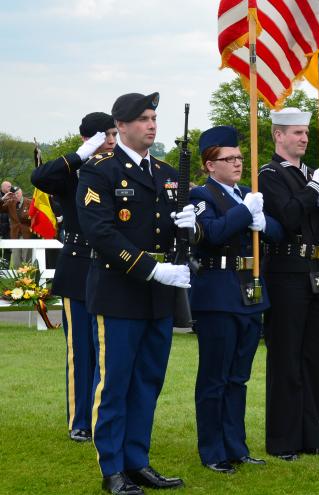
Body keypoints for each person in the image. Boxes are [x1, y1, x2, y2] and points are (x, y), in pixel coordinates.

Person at [76, 92, 196, 495]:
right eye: (143, 118)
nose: (152, 124)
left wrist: (188, 224)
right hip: (120, 291)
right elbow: (100, 232)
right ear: (121, 125)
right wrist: (151, 267)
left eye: (154, 117)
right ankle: (112, 468)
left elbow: (171, 232)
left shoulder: (164, 172)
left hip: (158, 296)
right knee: (114, 384)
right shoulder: (100, 171)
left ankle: (136, 461)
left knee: (148, 381)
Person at [190, 126, 283, 473]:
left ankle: (236, 445)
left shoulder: (248, 193)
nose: (237, 163)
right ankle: (213, 450)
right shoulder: (200, 195)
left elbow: (276, 232)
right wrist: (246, 212)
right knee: (214, 377)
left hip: (249, 292)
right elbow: (211, 234)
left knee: (238, 378)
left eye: (240, 158)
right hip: (217, 294)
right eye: (228, 159)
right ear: (209, 165)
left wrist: (261, 221)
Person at [259, 107, 319, 461]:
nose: (304, 138)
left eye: (306, 133)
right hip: (287, 271)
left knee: (314, 357)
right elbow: (289, 215)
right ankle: (282, 439)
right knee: (286, 357)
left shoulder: (313, 174)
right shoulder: (269, 174)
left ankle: (310, 434)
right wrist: (313, 189)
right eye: (296, 133)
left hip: (316, 270)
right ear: (278, 135)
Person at [31, 111, 117, 443]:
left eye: (113, 135)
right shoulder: (73, 172)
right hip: (79, 266)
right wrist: (81, 154)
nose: (111, 142)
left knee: (108, 351)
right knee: (80, 350)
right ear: (90, 138)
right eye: (105, 136)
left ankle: (103, 417)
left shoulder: (116, 169)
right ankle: (80, 420)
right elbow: (40, 177)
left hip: (111, 266)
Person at [1, 187, 34, 264]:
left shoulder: (29, 202)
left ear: (21, 193)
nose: (16, 195)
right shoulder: (10, 203)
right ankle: (17, 276)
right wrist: (3, 198)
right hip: (15, 235)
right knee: (16, 261)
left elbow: (34, 217)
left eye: (17, 193)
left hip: (27, 235)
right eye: (14, 194)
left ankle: (27, 276)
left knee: (27, 260)